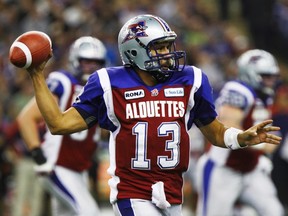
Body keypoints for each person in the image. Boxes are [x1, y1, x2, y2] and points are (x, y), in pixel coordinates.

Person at [22, 14, 282, 216]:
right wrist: (36, 75)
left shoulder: (190, 79)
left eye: (169, 46)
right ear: (135, 50)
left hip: (172, 191)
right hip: (132, 191)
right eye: (159, 48)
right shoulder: (109, 82)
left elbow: (215, 131)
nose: (168, 54)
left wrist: (241, 138)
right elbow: (59, 124)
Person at [17, 36, 108, 216]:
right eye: (86, 61)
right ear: (75, 60)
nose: (91, 67)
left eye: (96, 62)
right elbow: (26, 118)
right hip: (58, 166)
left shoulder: (101, 89)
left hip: (77, 169)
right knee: (90, 213)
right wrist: (39, 156)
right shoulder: (64, 82)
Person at [195, 49, 284, 216]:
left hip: (251, 169)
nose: (271, 80)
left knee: (274, 211)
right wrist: (262, 144)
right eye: (266, 75)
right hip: (224, 169)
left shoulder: (264, 95)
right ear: (249, 73)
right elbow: (229, 128)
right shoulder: (237, 90)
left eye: (273, 76)